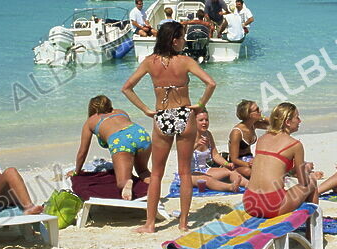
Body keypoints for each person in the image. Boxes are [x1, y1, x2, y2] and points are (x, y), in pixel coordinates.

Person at [122, 21, 216, 232]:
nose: (184, 41)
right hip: (184, 113)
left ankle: (150, 224)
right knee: (184, 173)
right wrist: (201, 104)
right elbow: (211, 83)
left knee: (156, 173)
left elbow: (126, 88)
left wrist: (146, 109)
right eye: (182, 37)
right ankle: (183, 223)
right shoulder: (185, 61)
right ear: (174, 40)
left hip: (162, 115)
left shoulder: (149, 62)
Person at [243, 102, 319, 218]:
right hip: (271, 204)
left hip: (249, 202)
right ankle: (312, 229)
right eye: (297, 117)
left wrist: (294, 170)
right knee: (311, 182)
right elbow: (303, 182)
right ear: (288, 122)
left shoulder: (262, 139)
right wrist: (306, 169)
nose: (300, 121)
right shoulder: (295, 145)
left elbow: (273, 170)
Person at [74, 95, 151, 200]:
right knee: (143, 171)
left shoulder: (91, 121)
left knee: (121, 183)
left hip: (120, 141)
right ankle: (154, 187)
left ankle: (126, 183)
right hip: (141, 134)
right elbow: (127, 129)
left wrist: (76, 172)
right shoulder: (120, 111)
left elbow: (82, 152)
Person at [190, 110, 246, 192]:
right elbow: (182, 156)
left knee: (230, 171)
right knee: (206, 179)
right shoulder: (189, 136)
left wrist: (227, 164)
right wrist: (196, 145)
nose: (204, 122)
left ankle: (250, 185)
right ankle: (230, 187)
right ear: (194, 122)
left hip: (204, 170)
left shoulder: (208, 134)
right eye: (201, 120)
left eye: (207, 120)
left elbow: (215, 155)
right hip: (189, 173)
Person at [228, 99, 266, 178]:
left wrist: (262, 117)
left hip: (249, 159)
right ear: (249, 115)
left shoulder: (253, 125)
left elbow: (274, 125)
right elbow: (234, 159)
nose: (260, 111)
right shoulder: (237, 132)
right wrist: (249, 164)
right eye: (257, 110)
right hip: (238, 164)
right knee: (250, 172)